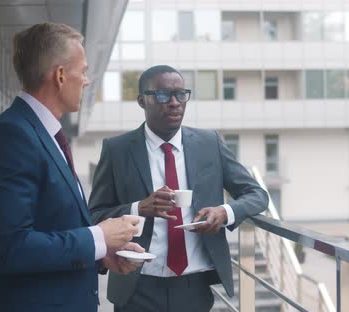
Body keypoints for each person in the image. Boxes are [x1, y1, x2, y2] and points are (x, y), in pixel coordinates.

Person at [0, 22, 144, 312]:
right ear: (59, 75)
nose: (86, 80)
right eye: (82, 71)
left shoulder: (42, 133)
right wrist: (98, 237)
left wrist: (102, 253)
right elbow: (12, 248)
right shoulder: (13, 136)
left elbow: (52, 224)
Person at [89, 65, 269, 311]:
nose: (174, 103)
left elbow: (257, 195)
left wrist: (224, 213)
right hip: (137, 285)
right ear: (142, 101)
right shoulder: (117, 150)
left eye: (181, 94)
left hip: (193, 286)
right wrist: (139, 207)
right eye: (163, 95)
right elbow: (95, 215)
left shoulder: (209, 143)